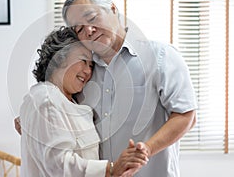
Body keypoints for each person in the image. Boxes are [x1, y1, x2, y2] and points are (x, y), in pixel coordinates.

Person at [60, 0, 198, 177]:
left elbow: (186, 116)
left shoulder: (161, 56)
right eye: (80, 29)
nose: (89, 31)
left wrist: (146, 149)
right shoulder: (83, 72)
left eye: (92, 18)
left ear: (113, 9)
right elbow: (64, 109)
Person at [19, 26, 148, 177]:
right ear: (59, 58)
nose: (88, 71)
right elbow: (58, 165)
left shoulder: (70, 102)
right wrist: (111, 169)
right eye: (83, 60)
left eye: (91, 65)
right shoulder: (46, 99)